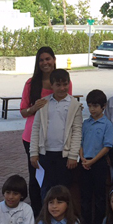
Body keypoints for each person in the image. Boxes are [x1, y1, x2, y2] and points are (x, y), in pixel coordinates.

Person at [20, 47, 72, 214]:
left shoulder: (64, 81)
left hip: (56, 139)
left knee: (56, 178)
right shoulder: (31, 83)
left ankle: (58, 213)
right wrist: (33, 108)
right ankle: (37, 214)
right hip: (33, 138)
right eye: (41, 60)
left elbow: (68, 108)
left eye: (48, 59)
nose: (45, 63)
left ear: (54, 59)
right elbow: (22, 111)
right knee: (37, 177)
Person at [29, 69, 82, 201]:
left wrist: (73, 155)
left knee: (63, 191)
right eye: (58, 85)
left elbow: (77, 132)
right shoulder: (43, 103)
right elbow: (36, 129)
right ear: (51, 85)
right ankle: (46, 220)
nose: (62, 88)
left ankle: (64, 220)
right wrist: (34, 152)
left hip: (64, 157)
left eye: (65, 84)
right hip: (45, 155)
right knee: (46, 190)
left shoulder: (74, 105)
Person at [79, 89, 113, 224]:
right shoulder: (85, 124)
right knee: (85, 197)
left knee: (99, 197)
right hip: (85, 163)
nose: (92, 109)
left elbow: (107, 146)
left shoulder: (107, 124)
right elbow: (80, 142)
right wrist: (82, 158)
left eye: (95, 106)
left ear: (103, 106)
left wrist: (93, 161)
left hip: (98, 164)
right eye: (90, 106)